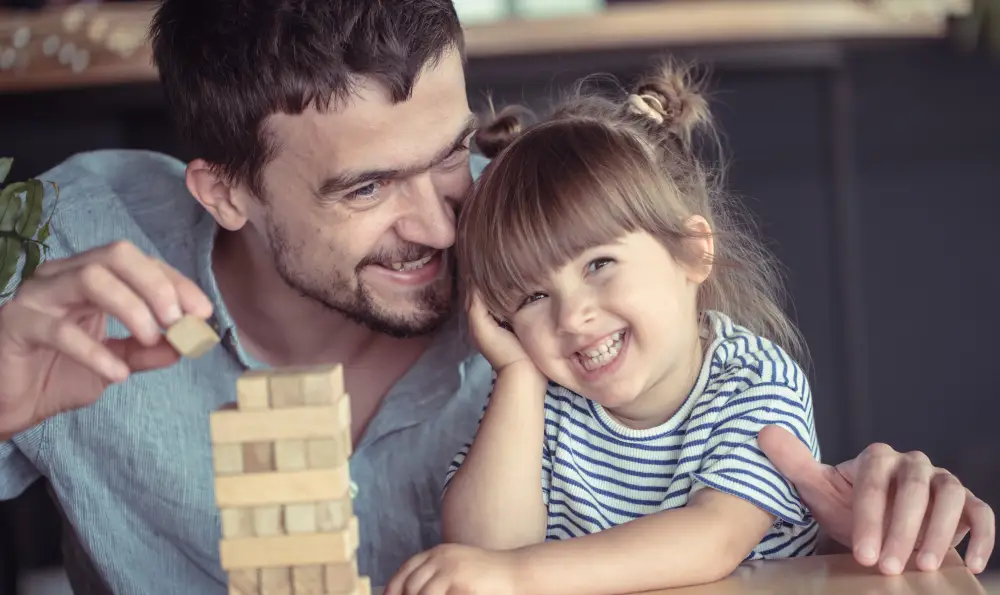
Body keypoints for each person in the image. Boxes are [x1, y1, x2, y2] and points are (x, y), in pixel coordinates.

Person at [0, 1, 991, 593]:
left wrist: (840, 527)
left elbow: (698, 505)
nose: (441, 228)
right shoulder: (74, 239)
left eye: (446, 159)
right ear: (224, 190)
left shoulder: (543, 291)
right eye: (366, 188)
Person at [386, 62, 823, 595]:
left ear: (692, 252)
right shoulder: (544, 407)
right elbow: (484, 552)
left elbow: (713, 539)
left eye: (598, 265)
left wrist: (519, 574)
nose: (571, 318)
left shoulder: (755, 383)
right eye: (533, 296)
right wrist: (519, 373)